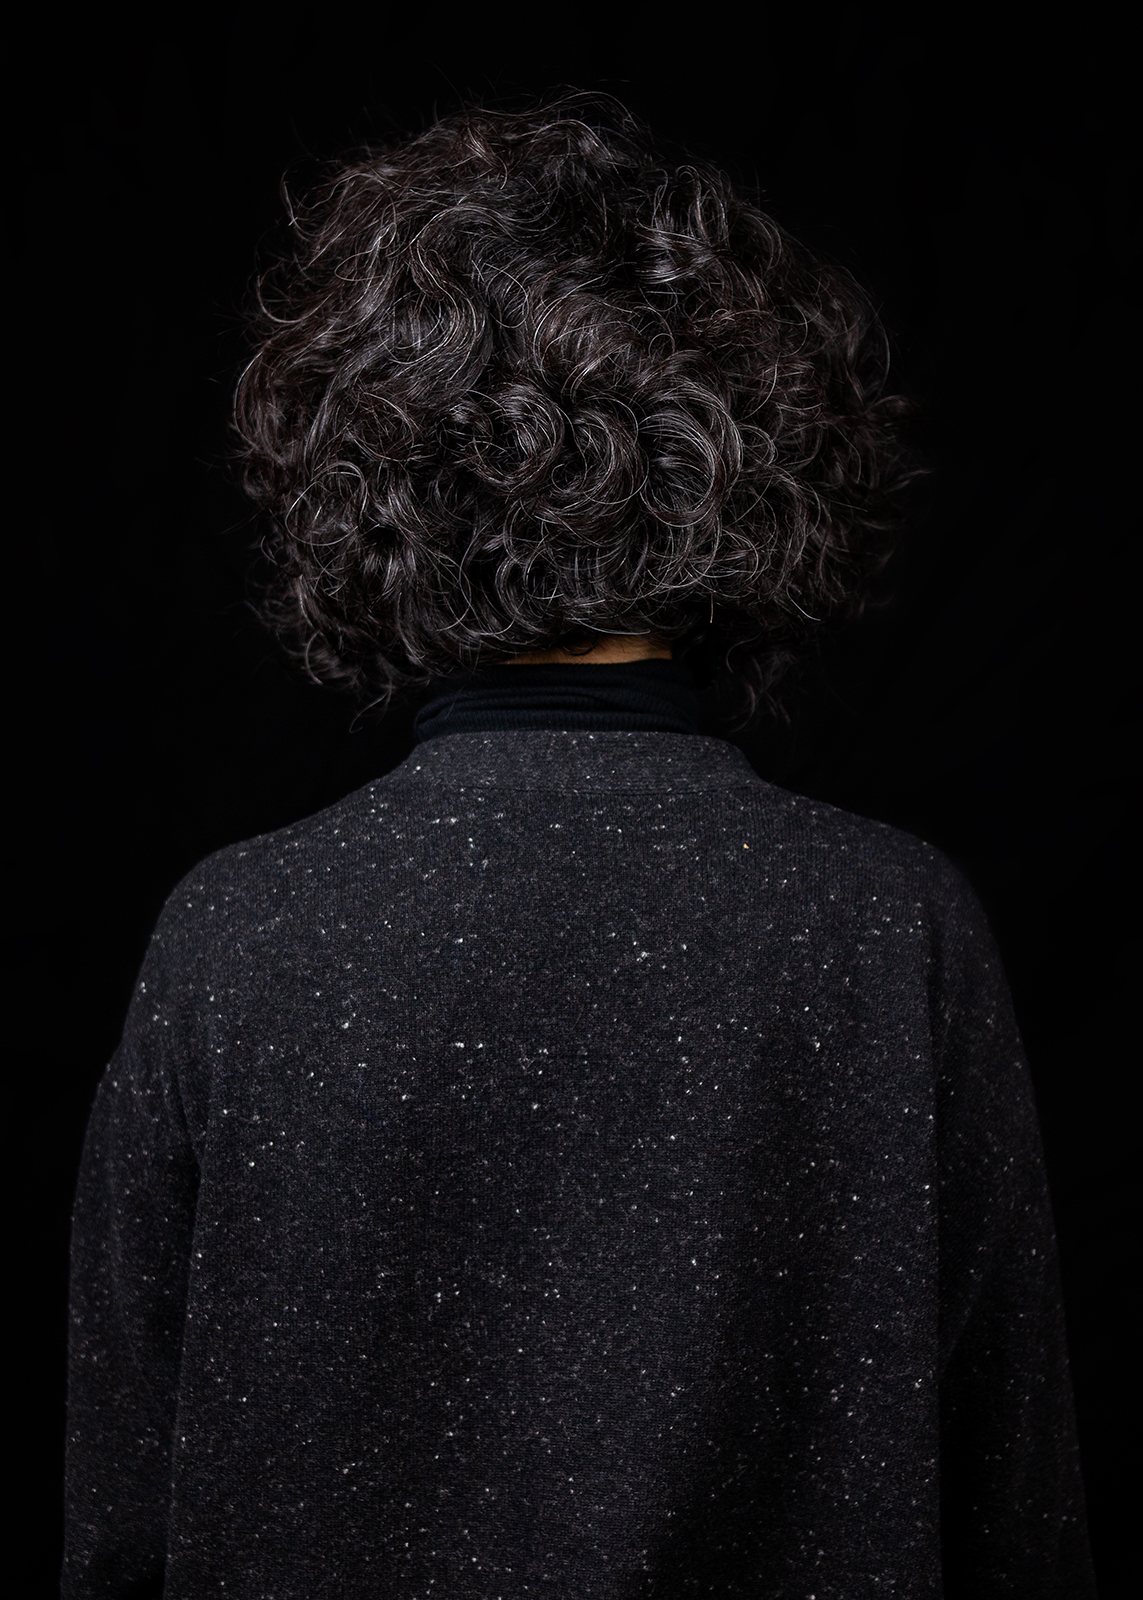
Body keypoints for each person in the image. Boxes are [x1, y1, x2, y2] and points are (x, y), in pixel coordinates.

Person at [62, 94, 1096, 1598]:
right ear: (746, 461)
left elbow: (120, 1540)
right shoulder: (889, 925)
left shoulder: (234, 936)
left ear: (363, 485)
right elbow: (1021, 1529)